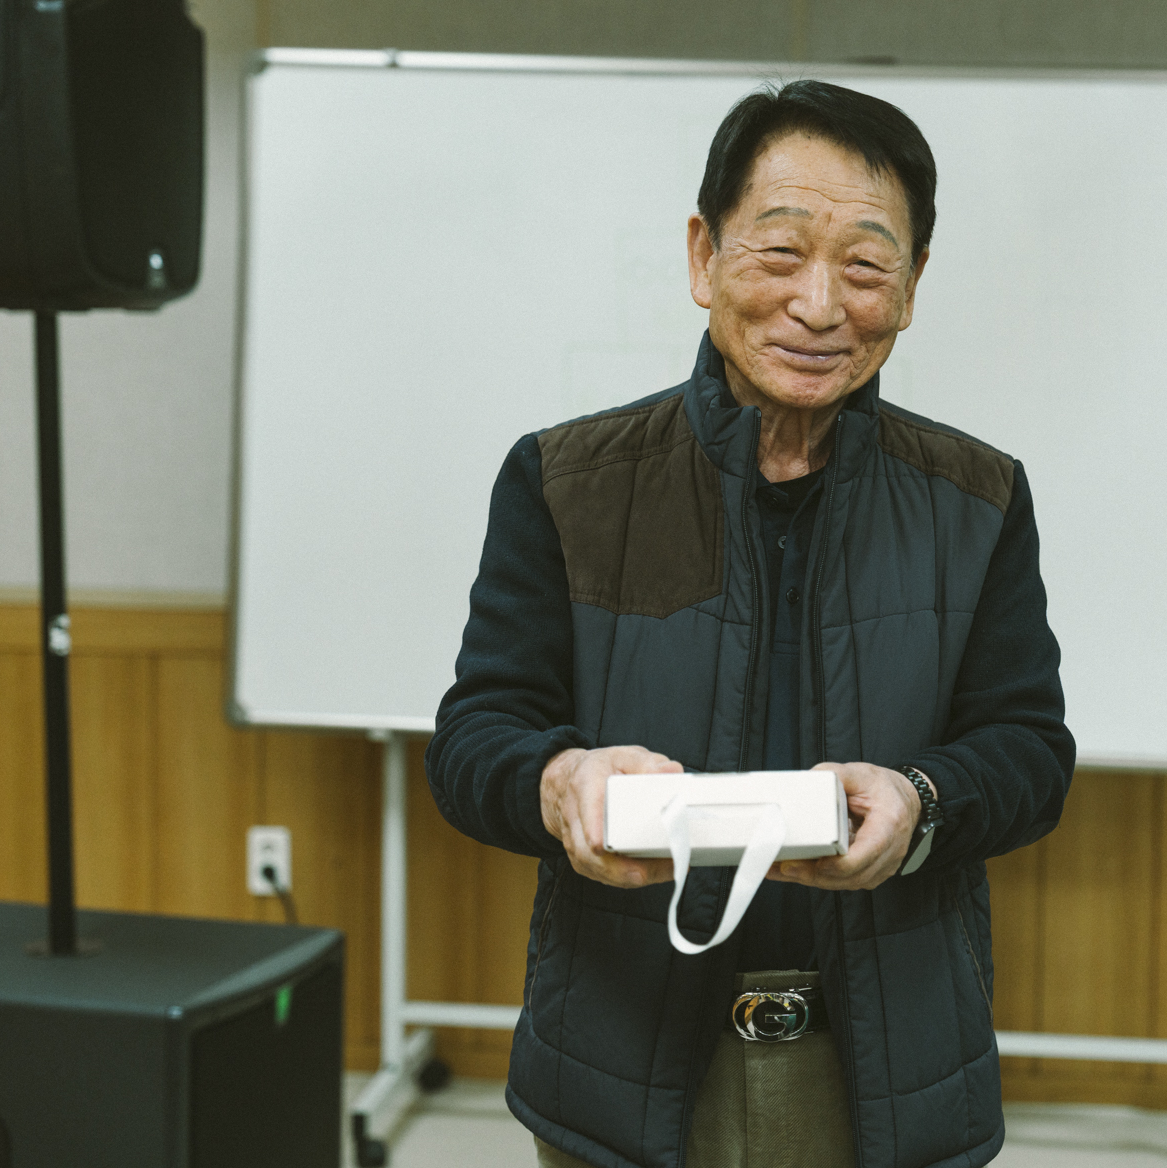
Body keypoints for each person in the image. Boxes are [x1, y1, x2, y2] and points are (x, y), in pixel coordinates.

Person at [428, 78, 1075, 1168]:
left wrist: (923, 803)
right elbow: (473, 738)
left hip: (888, 1070)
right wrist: (558, 780)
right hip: (623, 1057)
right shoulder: (566, 482)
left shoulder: (978, 498)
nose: (820, 306)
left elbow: (1030, 752)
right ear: (703, 256)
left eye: (864, 266)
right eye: (781, 252)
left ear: (912, 285)